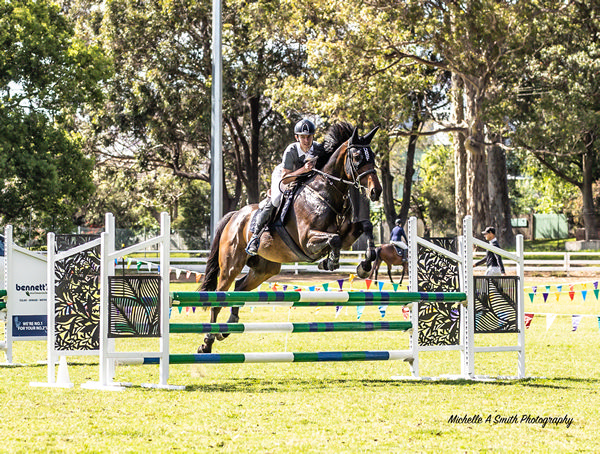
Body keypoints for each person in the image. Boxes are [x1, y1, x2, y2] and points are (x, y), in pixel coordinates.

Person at [246, 119, 324, 256]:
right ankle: (255, 237)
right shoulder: (291, 150)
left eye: (309, 136)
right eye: (303, 137)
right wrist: (303, 170)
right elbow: (286, 178)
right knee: (276, 199)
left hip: (305, 179)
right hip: (285, 176)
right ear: (297, 137)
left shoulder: (318, 148)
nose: (306, 140)